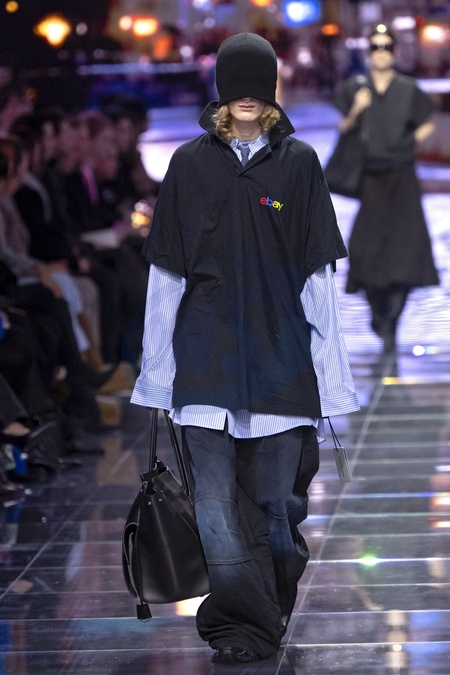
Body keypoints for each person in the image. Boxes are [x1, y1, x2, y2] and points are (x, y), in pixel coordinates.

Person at [131, 33, 359, 664]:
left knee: (279, 512)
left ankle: (266, 607)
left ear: (273, 90)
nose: (248, 98)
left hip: (280, 355)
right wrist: (157, 373)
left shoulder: (299, 164)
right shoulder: (188, 165)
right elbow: (167, 275)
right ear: (221, 93)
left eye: (259, 86)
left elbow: (317, 277)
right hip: (205, 356)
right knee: (216, 513)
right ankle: (239, 627)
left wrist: (331, 377)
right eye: (237, 86)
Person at [332, 25, 439, 355]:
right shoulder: (355, 88)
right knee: (364, 249)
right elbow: (343, 128)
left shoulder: (408, 88)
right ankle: (379, 316)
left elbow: (428, 121)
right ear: (368, 53)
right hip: (371, 178)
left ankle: (391, 319)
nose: (381, 52)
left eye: (386, 47)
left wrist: (410, 141)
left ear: (394, 52)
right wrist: (356, 109)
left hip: (403, 177)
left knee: (407, 250)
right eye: (375, 47)